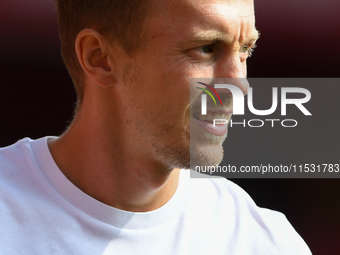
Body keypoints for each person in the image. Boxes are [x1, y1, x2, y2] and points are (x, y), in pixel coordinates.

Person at [0, 0, 312, 254]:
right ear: (100, 58)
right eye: (206, 48)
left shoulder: (265, 242)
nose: (239, 85)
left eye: (245, 50)